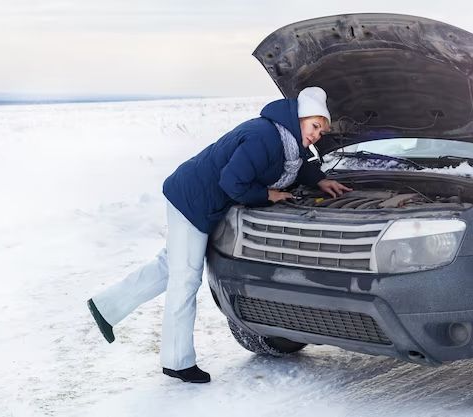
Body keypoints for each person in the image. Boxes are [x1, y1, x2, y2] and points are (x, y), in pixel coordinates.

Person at [87, 86, 352, 383]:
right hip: (192, 200)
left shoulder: (287, 141)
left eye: (321, 131)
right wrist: (268, 195)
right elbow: (232, 182)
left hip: (204, 202)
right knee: (185, 277)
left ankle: (106, 307)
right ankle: (177, 361)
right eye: (315, 126)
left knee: (168, 266)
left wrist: (322, 181)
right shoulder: (263, 136)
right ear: (300, 118)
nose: (317, 135)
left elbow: (296, 164)